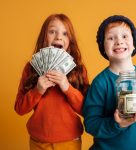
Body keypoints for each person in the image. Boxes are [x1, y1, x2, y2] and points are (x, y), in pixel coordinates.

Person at [15, 13, 89, 150]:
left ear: (70, 41)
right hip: (38, 141)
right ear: (44, 37)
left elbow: (87, 109)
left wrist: (67, 88)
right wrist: (38, 90)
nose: (59, 37)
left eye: (65, 33)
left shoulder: (78, 70)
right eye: (52, 31)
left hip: (70, 141)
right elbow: (19, 108)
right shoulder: (31, 68)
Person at [83, 15, 136, 150]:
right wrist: (117, 124)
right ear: (103, 47)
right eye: (111, 38)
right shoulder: (100, 83)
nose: (119, 41)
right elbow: (91, 124)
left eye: (125, 36)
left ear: (134, 43)